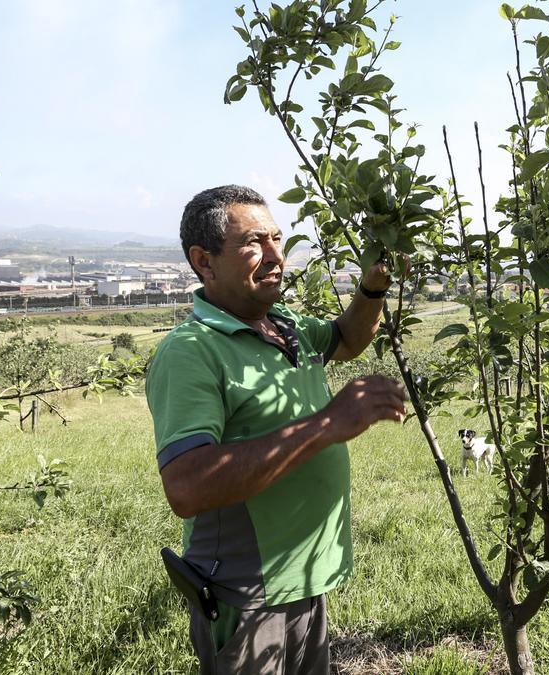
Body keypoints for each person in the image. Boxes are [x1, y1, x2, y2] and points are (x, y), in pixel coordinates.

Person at [146, 185, 407, 674]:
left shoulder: (283, 325)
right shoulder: (190, 352)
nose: (275, 257)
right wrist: (328, 423)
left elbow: (348, 338)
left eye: (277, 239)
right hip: (247, 592)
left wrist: (372, 287)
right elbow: (186, 485)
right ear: (204, 261)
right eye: (253, 243)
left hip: (304, 578)